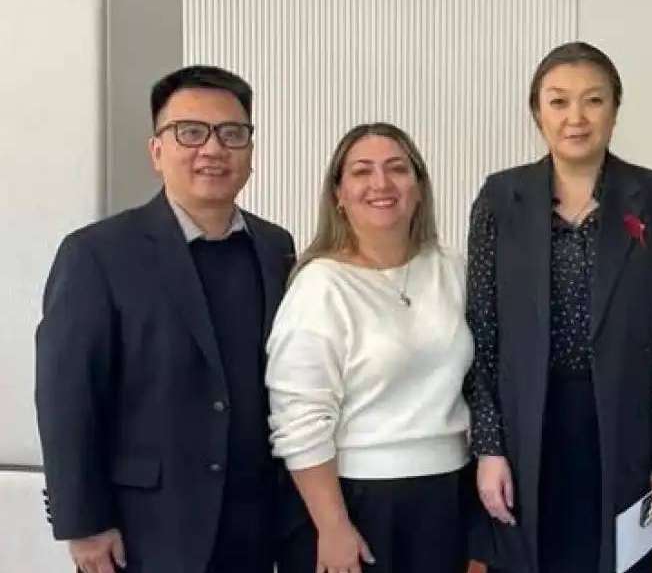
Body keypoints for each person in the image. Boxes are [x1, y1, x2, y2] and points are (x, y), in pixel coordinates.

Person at [35, 65, 295, 573]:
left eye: (232, 133)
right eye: (190, 132)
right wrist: (83, 522)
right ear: (157, 151)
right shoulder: (97, 253)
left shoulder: (275, 247)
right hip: (147, 526)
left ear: (250, 150)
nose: (213, 149)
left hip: (258, 523)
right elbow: (67, 396)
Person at [465, 41, 652, 573]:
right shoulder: (501, 198)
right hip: (528, 427)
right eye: (559, 101)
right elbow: (482, 332)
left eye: (593, 101)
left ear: (615, 110)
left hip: (623, 427)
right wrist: (490, 447)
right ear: (536, 111)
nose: (576, 118)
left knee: (618, 563)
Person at [267, 123, 474, 573]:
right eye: (362, 172)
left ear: (418, 188)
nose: (381, 184)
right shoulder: (320, 286)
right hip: (355, 499)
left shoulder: (452, 269)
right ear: (338, 194)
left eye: (397, 169)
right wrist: (333, 526)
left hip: (448, 496)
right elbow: (298, 419)